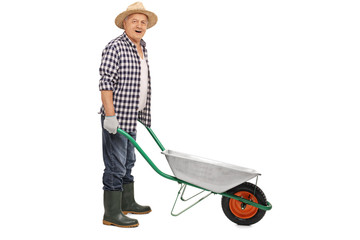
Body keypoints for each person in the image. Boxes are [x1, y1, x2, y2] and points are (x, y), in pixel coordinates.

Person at [98, 2, 158, 228]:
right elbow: (105, 83)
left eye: (143, 22)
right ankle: (112, 214)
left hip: (132, 115)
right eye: (134, 21)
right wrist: (110, 116)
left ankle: (127, 202)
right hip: (117, 117)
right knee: (115, 165)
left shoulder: (143, 47)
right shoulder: (115, 47)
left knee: (129, 161)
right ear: (124, 24)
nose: (139, 25)